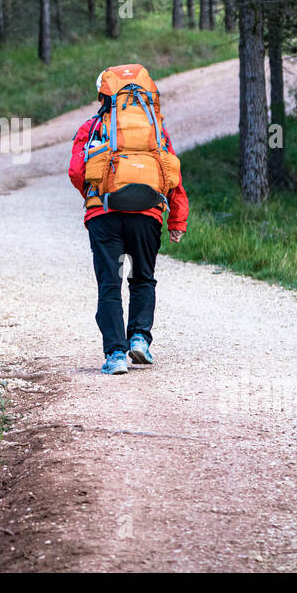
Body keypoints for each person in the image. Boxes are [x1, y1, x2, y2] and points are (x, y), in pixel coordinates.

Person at [68, 64, 188, 374]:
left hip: (104, 214)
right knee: (143, 278)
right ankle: (139, 340)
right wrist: (176, 220)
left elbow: (76, 171)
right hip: (147, 214)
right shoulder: (155, 129)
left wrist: (94, 198)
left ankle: (115, 356)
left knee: (110, 283)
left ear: (103, 95)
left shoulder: (91, 127)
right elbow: (171, 174)